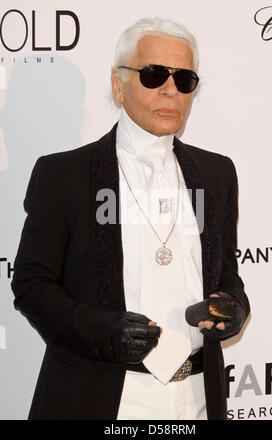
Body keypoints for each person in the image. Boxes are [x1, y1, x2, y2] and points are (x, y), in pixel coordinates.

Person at [11, 17, 250, 420]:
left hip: (198, 395)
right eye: (154, 74)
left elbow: (226, 272)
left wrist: (235, 306)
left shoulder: (217, 173)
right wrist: (102, 332)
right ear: (118, 85)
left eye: (184, 79)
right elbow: (32, 284)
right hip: (103, 394)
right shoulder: (64, 174)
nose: (170, 89)